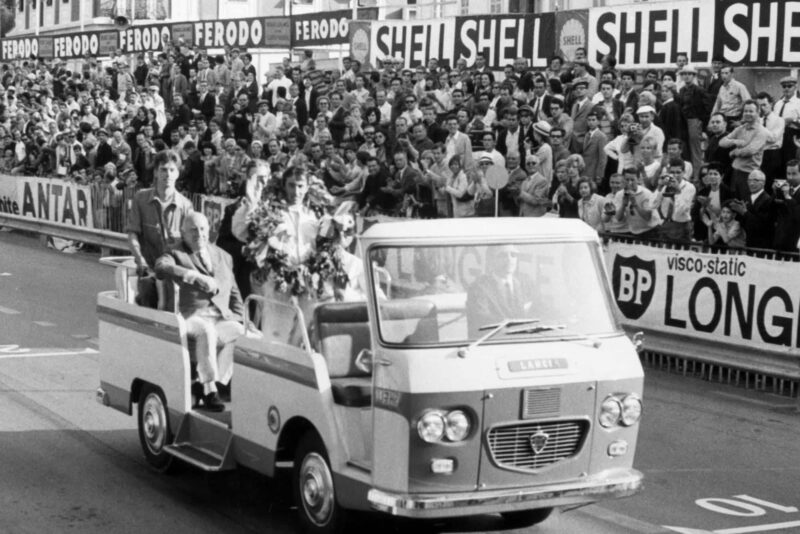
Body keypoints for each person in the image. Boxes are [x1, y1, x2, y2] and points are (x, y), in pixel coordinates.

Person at [155, 212, 245, 411]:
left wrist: (240, 318)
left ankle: (210, 383)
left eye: (203, 229)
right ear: (183, 233)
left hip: (218, 315)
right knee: (207, 331)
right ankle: (210, 391)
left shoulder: (223, 256)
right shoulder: (176, 253)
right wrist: (192, 275)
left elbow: (234, 292)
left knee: (241, 335)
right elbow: (161, 267)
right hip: (190, 317)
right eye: (193, 229)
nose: (199, 234)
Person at [126, 150, 194, 308]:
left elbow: (189, 245)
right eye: (163, 169)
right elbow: (132, 233)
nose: (168, 175)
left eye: (172, 170)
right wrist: (139, 259)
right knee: (147, 290)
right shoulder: (141, 198)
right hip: (148, 270)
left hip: (174, 273)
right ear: (156, 172)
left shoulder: (185, 206)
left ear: (177, 174)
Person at [466, 244, 535, 338]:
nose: (509, 259)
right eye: (503, 255)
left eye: (513, 255)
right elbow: (482, 320)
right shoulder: (479, 287)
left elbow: (539, 312)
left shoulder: (526, 283)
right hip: (495, 344)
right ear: (491, 260)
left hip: (526, 343)